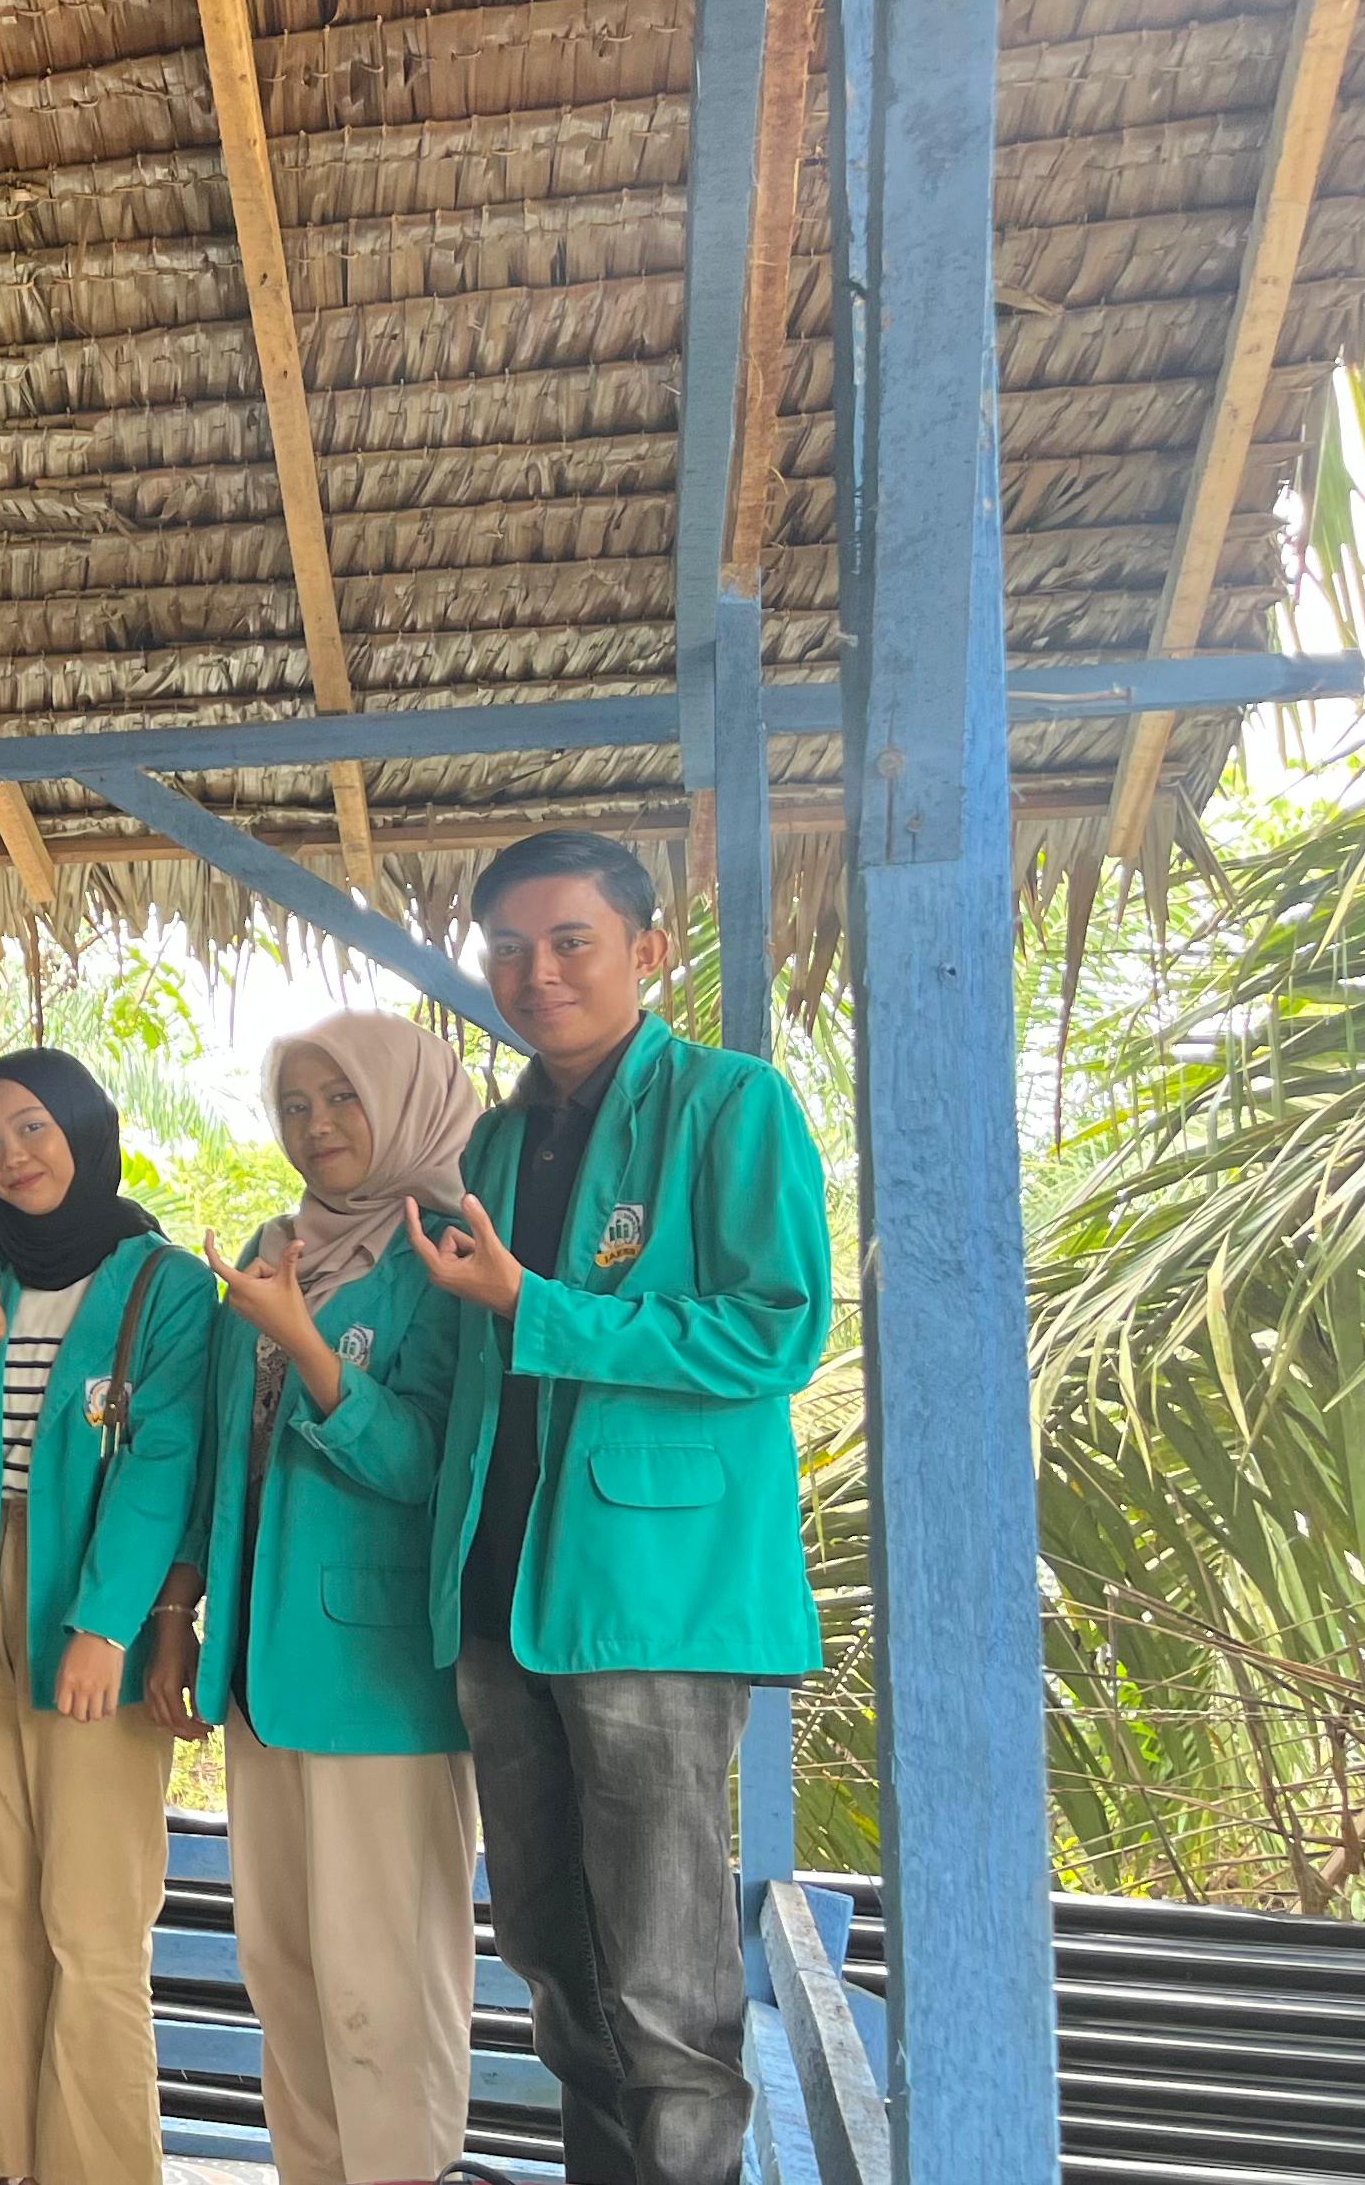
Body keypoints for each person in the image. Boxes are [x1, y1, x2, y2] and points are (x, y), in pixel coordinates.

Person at [414, 832, 830, 2185]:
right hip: (499, 1590)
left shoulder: (730, 1106)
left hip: (650, 1593)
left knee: (665, 1982)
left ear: (650, 951)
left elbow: (775, 1335)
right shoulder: (492, 1134)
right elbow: (467, 1367)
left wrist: (540, 1309)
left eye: (571, 941)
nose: (536, 975)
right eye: (510, 949)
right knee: (547, 1953)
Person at [0, 1048, 210, 2185]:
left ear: (86, 1127)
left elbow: (166, 1461)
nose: (12, 1155)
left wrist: (108, 1625)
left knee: (91, 1924)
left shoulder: (163, 1283)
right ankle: (20, 2162)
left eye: (32, 1127)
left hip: (88, 1609)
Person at [181, 1015, 484, 2183]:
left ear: (403, 1099)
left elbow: (425, 1464)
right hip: (263, 1670)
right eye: (296, 1105)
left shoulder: (448, 1248)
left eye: (342, 1098)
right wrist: (183, 1622)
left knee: (385, 1991)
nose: (316, 1128)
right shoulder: (276, 1246)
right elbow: (225, 1457)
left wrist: (308, 1346)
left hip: (379, 1678)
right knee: (289, 1976)